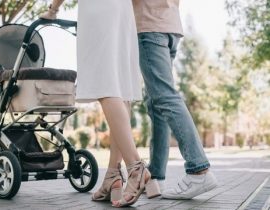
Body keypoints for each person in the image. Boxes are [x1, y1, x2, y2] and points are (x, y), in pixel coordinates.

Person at [40, 0, 160, 207]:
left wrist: (53, 9)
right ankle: (113, 175)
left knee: (105, 84)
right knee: (121, 88)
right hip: (123, 11)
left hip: (99, 9)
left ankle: (136, 169)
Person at [132, 0, 218, 199]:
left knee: (165, 97)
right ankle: (156, 176)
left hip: (149, 23)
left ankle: (198, 170)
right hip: (169, 25)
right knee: (156, 103)